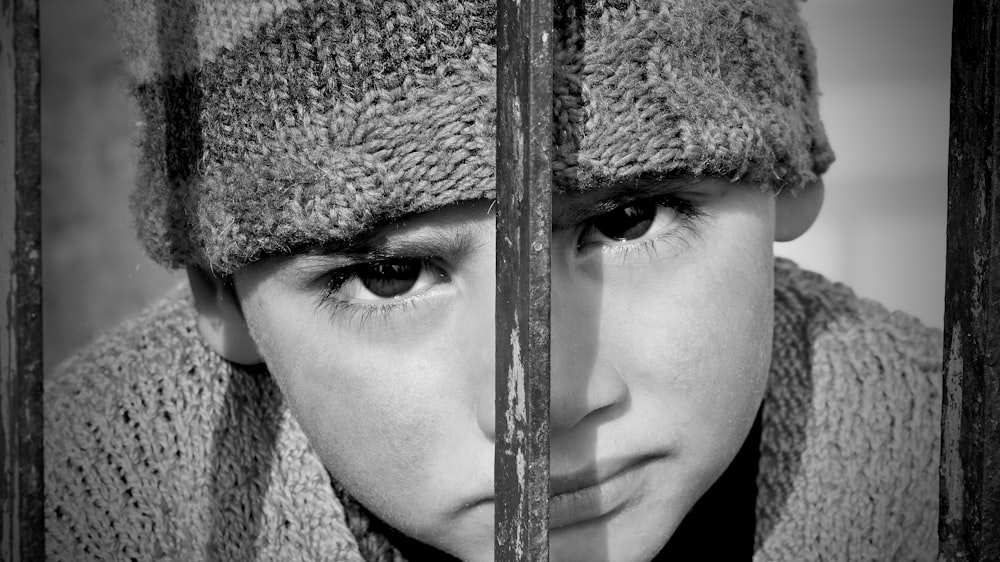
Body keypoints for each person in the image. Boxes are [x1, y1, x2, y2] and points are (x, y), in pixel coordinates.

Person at [44, 0, 943, 560]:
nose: (544, 405)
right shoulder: (67, 515)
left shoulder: (945, 465)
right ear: (222, 301)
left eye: (626, 220)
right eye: (391, 276)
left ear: (787, 174)